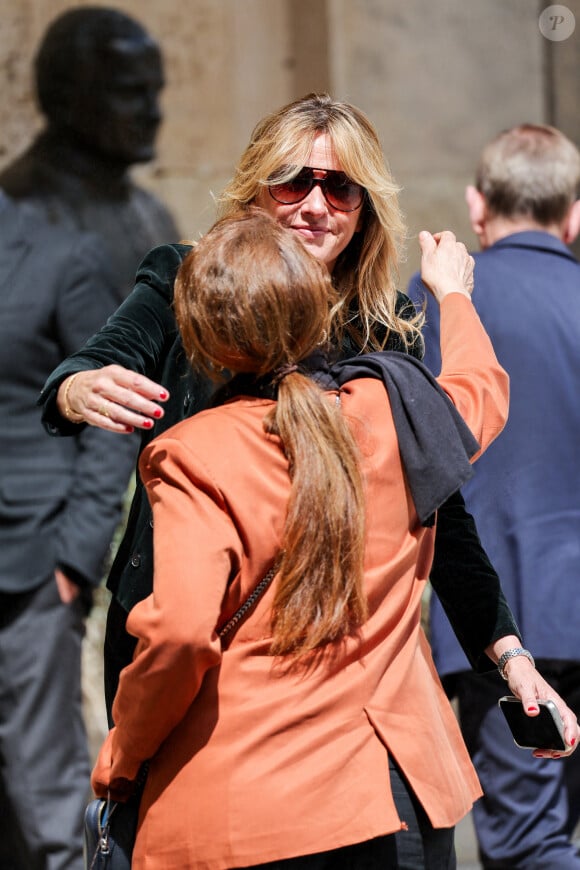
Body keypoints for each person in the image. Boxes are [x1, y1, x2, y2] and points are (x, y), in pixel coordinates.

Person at [38, 95, 575, 864]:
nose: (316, 204)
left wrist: (509, 653)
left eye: (340, 187)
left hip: (353, 698)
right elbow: (103, 355)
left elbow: (443, 510)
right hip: (194, 672)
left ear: (364, 205)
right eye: (293, 181)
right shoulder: (194, 285)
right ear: (256, 187)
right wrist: (76, 386)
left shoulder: (387, 328)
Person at [408, 123, 580, 869]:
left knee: (526, 844)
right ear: (574, 214)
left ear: (478, 207)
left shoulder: (441, 301)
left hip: (509, 627)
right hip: (527, 627)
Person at [0, 191, 136, 869]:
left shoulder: (61, 255)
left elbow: (110, 413)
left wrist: (75, 559)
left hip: (30, 565)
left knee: (45, 793)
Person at [0, 5, 178, 303]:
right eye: (130, 93)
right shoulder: (18, 214)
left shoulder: (151, 212)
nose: (154, 114)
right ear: (65, 98)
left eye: (154, 93)